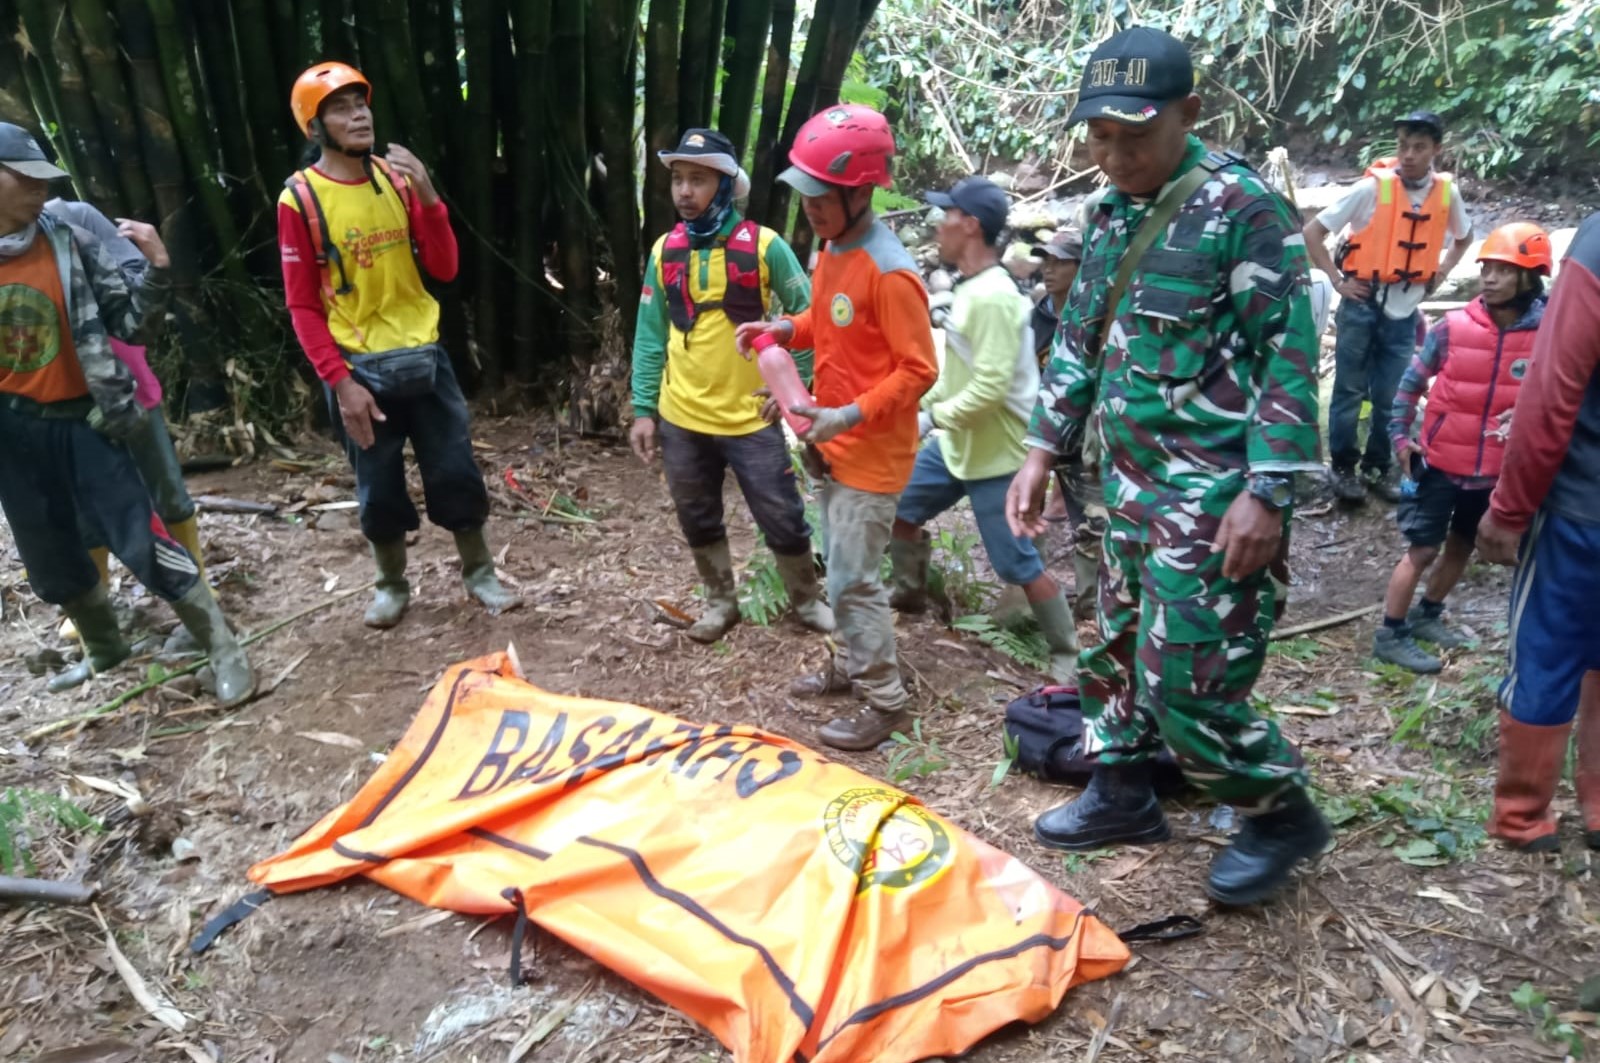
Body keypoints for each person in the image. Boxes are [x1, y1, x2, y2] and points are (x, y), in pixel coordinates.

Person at [1003, 28, 1328, 905]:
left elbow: (1288, 357)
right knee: (1109, 651)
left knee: (1188, 678)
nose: (1115, 156)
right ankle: (1122, 789)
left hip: (1214, 495)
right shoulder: (1108, 217)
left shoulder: (1243, 211)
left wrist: (1267, 493)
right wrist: (1040, 449)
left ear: (1191, 113)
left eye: (1135, 137)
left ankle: (1279, 810)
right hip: (1127, 487)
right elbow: (1077, 344)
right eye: (1100, 138)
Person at [0, 123, 255, 705]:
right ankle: (106, 649)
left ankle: (222, 646)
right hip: (12, 431)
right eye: (26, 178)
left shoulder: (67, 237)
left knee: (142, 537)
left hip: (85, 420)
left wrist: (158, 269)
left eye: (46, 178)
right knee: (49, 551)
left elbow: (133, 324)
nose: (41, 190)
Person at [278, 62, 518, 629]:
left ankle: (478, 573)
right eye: (339, 107)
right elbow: (302, 306)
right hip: (360, 369)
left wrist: (430, 195)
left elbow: (445, 266)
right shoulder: (301, 200)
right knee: (377, 483)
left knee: (455, 469)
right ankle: (390, 583)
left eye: (361, 102)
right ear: (314, 124)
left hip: (425, 355)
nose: (358, 114)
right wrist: (341, 383)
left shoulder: (395, 179)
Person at [735, 105, 938, 752]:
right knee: (845, 566)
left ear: (860, 190)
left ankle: (885, 700)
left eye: (822, 196)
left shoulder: (891, 271)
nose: (810, 207)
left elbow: (918, 370)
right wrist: (781, 331)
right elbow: (829, 325)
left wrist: (846, 414)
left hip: (872, 452)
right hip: (832, 442)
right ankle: (854, 663)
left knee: (853, 579)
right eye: (807, 194)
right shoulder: (832, 248)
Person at [629, 128, 829, 642]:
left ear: (725, 185)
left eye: (698, 180)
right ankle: (720, 602)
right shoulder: (665, 250)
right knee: (696, 516)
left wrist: (794, 393)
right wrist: (644, 408)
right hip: (682, 416)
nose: (684, 192)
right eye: (677, 179)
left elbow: (808, 319)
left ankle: (806, 602)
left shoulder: (765, 246)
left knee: (782, 516)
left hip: (750, 416)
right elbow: (651, 335)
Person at [886, 177, 1078, 680]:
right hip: (958, 445)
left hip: (1001, 455)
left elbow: (991, 388)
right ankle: (909, 594)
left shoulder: (992, 296)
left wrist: (930, 418)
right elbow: (961, 374)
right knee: (899, 509)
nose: (938, 226)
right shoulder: (974, 290)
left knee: (1016, 564)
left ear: (969, 225)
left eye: (946, 215)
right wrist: (917, 404)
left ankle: (1067, 654)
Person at [1374, 223, 1551, 674]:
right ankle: (1389, 633)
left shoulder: (1548, 335)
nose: (1489, 278)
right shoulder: (1453, 327)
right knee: (1421, 550)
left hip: (1492, 472)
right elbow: (1409, 386)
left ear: (1530, 278)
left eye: (1503, 270)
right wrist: (1400, 440)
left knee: (1461, 545)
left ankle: (1428, 613)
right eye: (1486, 268)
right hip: (1438, 464)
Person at [1477, 212, 1600, 853]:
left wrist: (1509, 508)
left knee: (1548, 654)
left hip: (1584, 509)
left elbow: (1552, 391)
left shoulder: (1598, 244)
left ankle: (1524, 815)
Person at [44, 198, 209, 635]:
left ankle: (198, 590)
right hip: (49, 399)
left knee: (166, 489)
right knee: (80, 509)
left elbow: (137, 289)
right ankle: (99, 612)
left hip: (119, 380)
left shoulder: (73, 218)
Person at [1304, 111, 1474, 503]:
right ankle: (1343, 469)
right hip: (1361, 305)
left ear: (1436, 150)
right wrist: (1337, 280)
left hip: (1404, 311)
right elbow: (1312, 232)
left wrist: (1442, 272)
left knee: (1391, 396)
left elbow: (1464, 238)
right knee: (1347, 389)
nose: (1409, 155)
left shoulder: (1446, 195)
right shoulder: (1372, 190)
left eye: (1419, 147)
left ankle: (1377, 469)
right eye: (1403, 146)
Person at [1029, 229, 1102, 616]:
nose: (1049, 270)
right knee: (1027, 514)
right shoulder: (1037, 316)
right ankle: (1033, 599)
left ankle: (1092, 608)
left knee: (1092, 525)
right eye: (1046, 261)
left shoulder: (1097, 316)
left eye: (1060, 262)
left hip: (1082, 442)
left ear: (1082, 266)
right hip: (1037, 436)